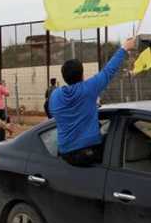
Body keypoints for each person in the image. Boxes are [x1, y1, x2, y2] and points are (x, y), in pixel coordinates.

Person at [50, 37, 136, 165]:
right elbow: (108, 71)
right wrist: (124, 48)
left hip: (65, 154)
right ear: (82, 75)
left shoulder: (55, 95)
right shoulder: (88, 89)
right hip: (88, 153)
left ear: (64, 77)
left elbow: (53, 113)